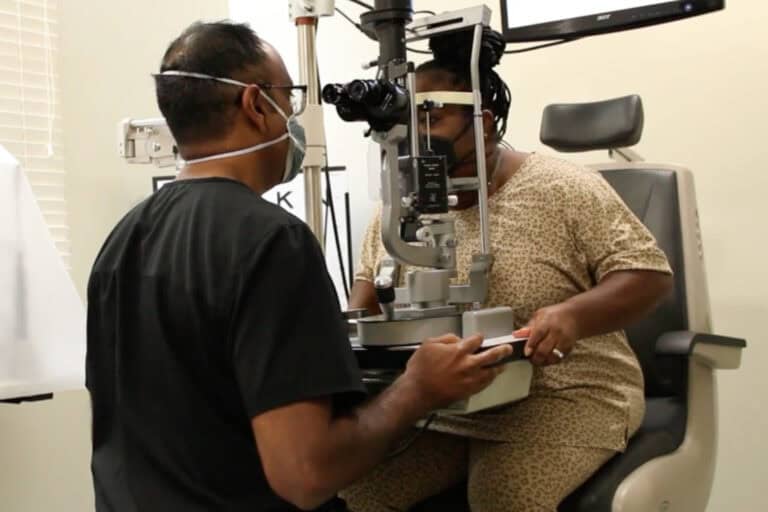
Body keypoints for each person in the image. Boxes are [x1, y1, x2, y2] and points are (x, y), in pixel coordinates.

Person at [85, 21, 514, 512]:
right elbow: (306, 475)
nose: (294, 114)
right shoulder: (271, 242)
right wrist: (418, 388)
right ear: (254, 105)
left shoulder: (121, 240)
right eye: (289, 98)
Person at [343, 28, 674, 512]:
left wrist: (573, 316)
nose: (417, 131)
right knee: (359, 491)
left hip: (564, 392)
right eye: (408, 116)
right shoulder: (399, 208)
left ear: (483, 121)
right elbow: (366, 301)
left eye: (432, 114)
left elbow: (648, 276)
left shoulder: (563, 187)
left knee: (506, 496)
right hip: (447, 404)